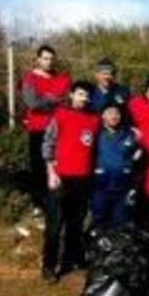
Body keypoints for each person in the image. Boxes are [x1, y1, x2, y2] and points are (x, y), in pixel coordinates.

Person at [41, 81, 100, 283]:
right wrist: (51, 172)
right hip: (61, 178)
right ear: (72, 95)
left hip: (83, 179)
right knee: (55, 226)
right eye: (81, 94)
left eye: (87, 96)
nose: (84, 99)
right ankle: (49, 266)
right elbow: (48, 143)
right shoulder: (60, 115)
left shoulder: (94, 119)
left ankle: (72, 259)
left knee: (76, 224)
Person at [21, 44, 72, 213]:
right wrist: (52, 100)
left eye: (51, 59)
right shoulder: (30, 78)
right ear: (37, 59)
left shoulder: (63, 78)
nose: (48, 62)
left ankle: (57, 201)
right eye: (45, 58)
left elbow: (65, 101)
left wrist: (46, 99)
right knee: (38, 166)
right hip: (37, 128)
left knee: (59, 165)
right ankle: (39, 203)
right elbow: (32, 103)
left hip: (59, 128)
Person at [91, 101, 138, 232]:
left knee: (121, 223)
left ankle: (118, 251)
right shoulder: (96, 135)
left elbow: (137, 158)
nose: (114, 116)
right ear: (103, 116)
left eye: (117, 113)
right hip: (100, 187)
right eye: (110, 113)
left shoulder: (129, 135)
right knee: (99, 222)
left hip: (122, 188)